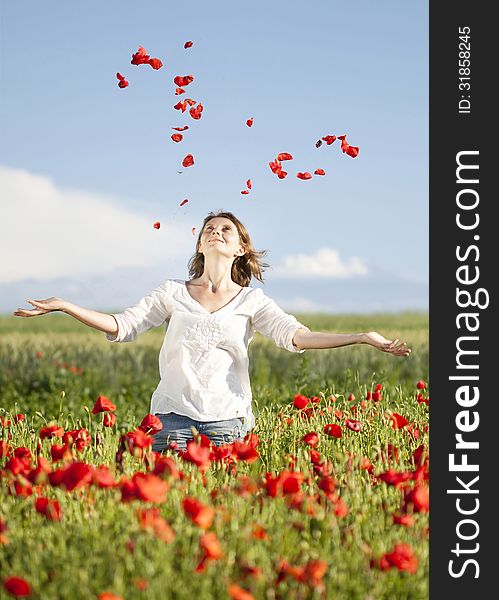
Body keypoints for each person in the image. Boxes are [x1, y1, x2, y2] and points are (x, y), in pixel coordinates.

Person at [14, 210, 411, 452]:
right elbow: (122, 325)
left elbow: (297, 337)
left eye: (225, 229)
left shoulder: (251, 302)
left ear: (239, 248)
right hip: (170, 418)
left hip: (228, 421)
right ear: (200, 244)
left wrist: (362, 336)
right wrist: (67, 306)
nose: (215, 232)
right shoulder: (171, 293)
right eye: (208, 229)